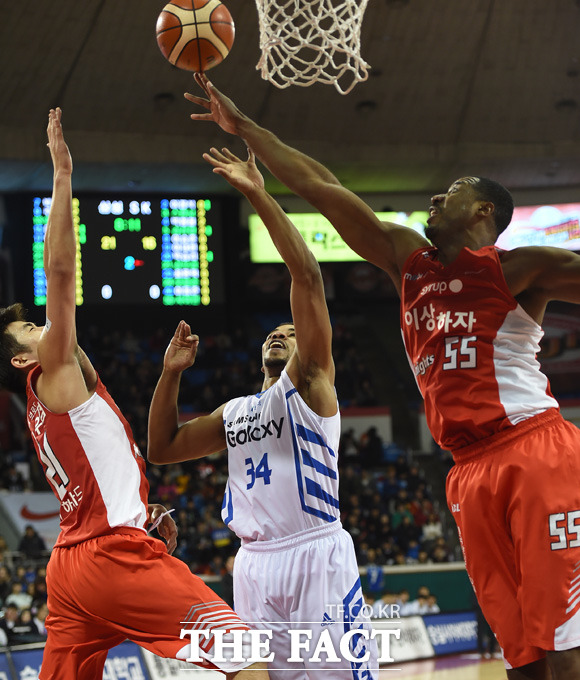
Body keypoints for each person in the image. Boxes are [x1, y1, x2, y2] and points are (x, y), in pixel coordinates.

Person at [184, 73, 580, 679]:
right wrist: (247, 129)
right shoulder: (406, 260)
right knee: (519, 648)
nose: (433, 201)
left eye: (449, 193)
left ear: (482, 211)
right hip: (468, 470)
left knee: (560, 638)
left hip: (534, 449)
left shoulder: (522, 268)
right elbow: (322, 186)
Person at [0, 109, 268, 680]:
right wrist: (62, 178)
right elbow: (61, 276)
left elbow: (100, 469)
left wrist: (139, 511)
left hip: (72, 566)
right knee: (245, 654)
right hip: (109, 556)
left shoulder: (59, 396)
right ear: (24, 358)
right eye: (31, 330)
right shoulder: (52, 374)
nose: (44, 327)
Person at [148, 147, 378, 679]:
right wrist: (170, 373)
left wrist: (257, 192)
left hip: (315, 554)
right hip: (252, 563)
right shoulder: (235, 412)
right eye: (272, 332)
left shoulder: (312, 384)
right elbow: (161, 450)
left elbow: (307, 275)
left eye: (291, 332)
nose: (279, 332)